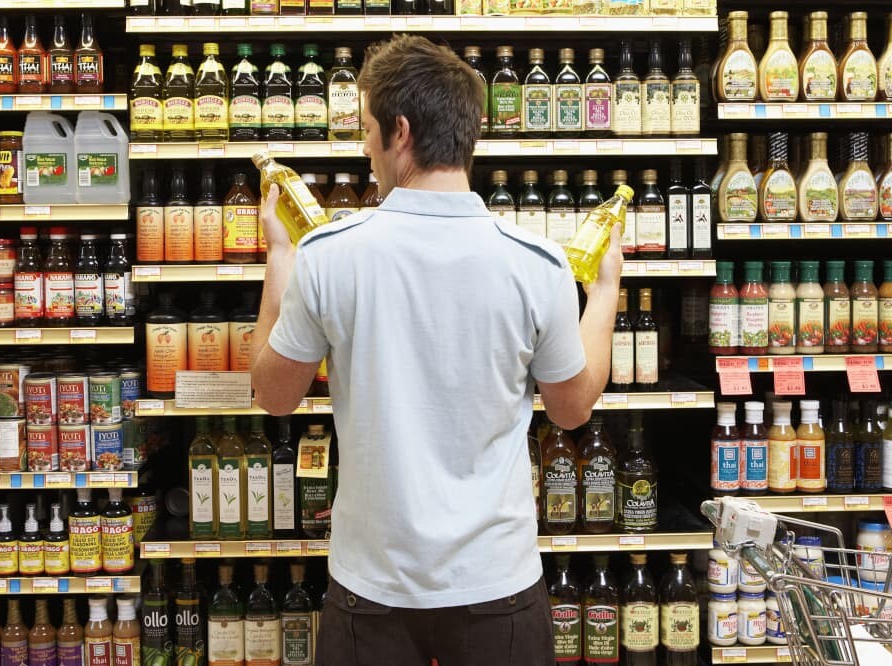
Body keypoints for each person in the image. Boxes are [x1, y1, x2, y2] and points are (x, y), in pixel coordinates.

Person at [250, 34, 622, 665]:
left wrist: (280, 256)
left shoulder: (329, 255)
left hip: (371, 589)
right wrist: (607, 288)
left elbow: (275, 394)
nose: (365, 149)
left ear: (399, 131)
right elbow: (572, 409)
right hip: (498, 586)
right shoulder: (537, 264)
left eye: (367, 130)